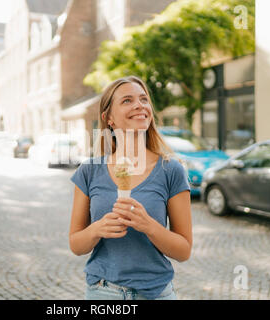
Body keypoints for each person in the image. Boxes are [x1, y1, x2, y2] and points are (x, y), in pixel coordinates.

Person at [69, 76, 192, 300]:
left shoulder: (171, 170)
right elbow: (76, 245)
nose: (139, 105)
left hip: (156, 293)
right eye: (127, 100)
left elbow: (183, 250)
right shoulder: (89, 171)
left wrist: (149, 226)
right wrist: (97, 229)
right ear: (109, 119)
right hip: (103, 293)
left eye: (144, 99)